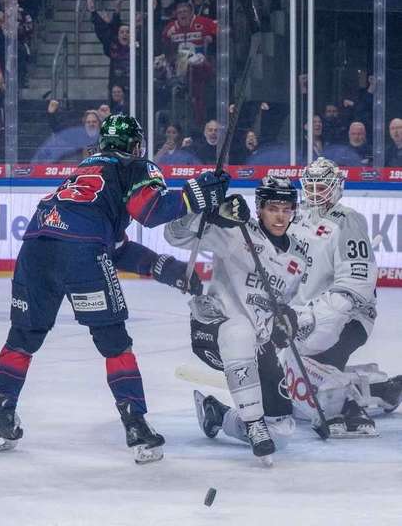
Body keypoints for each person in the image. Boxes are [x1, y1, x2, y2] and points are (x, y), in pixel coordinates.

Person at [0, 114, 226, 463]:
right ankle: (136, 426)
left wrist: (166, 269)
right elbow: (151, 210)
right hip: (81, 254)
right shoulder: (133, 166)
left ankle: (0, 416)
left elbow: (115, 246)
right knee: (114, 342)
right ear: (135, 145)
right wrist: (198, 194)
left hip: (36, 248)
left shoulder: (84, 169)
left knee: (21, 338)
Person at [165, 178, 308, 463]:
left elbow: (284, 307)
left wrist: (286, 322)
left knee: (281, 432)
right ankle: (253, 423)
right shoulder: (235, 232)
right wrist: (207, 210)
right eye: (273, 208)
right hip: (214, 332)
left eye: (286, 208)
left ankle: (219, 414)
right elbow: (173, 235)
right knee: (239, 332)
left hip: (258, 345)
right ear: (259, 208)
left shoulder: (298, 259)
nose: (280, 216)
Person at [281, 158, 401, 436]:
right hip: (304, 318)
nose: (314, 193)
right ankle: (385, 389)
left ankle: (350, 408)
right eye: (309, 187)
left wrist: (319, 317)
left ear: (336, 187)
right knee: (289, 384)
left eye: (321, 186)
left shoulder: (348, 221)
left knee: (309, 374)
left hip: (349, 318)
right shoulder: (297, 219)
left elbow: (357, 281)